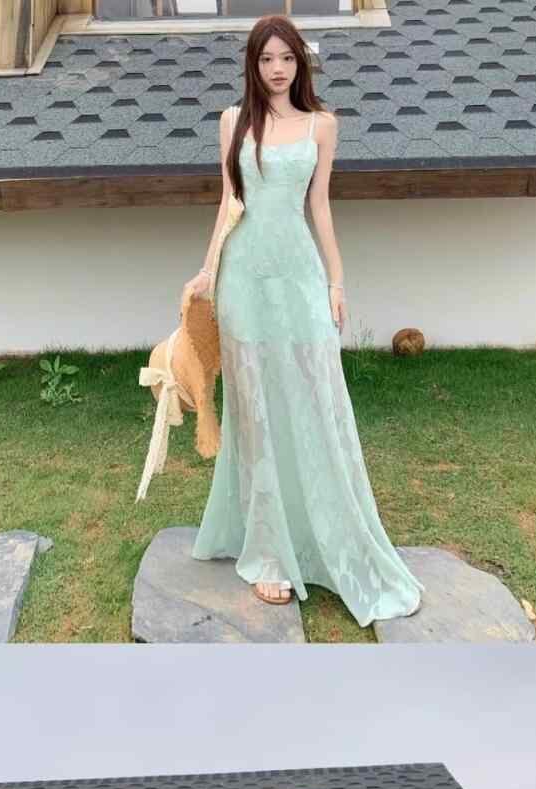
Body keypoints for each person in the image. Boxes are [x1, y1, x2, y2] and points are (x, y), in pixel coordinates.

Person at [181, 14, 424, 627]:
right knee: (255, 411)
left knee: (314, 398)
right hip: (243, 277)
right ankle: (268, 550)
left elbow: (320, 206)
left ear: (300, 63)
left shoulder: (322, 125)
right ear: (253, 64)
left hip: (298, 274)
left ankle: (324, 531)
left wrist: (336, 281)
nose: (277, 69)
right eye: (266, 59)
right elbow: (229, 201)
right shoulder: (232, 122)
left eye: (286, 57)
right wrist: (207, 271)